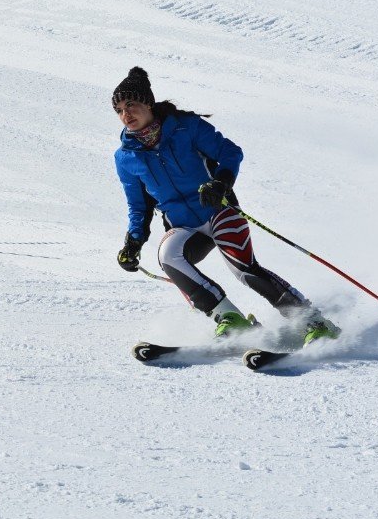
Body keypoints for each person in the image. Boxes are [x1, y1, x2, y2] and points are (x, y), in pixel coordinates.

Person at [112, 66, 339, 342]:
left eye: (131, 105)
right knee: (167, 255)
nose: (126, 115)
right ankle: (229, 317)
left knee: (243, 269)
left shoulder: (186, 127)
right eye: (120, 110)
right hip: (183, 226)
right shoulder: (126, 158)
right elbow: (139, 206)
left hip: (219, 210)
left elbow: (230, 153)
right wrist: (133, 243)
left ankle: (312, 322)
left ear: (148, 102)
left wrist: (220, 182)